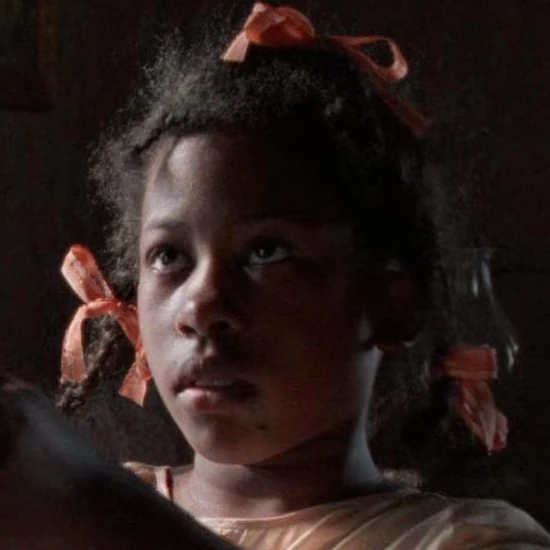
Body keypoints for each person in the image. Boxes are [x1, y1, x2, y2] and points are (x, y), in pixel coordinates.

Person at [49, 2, 550, 548]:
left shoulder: (466, 541)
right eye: (169, 257)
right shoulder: (81, 514)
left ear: (392, 302)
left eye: (267, 251)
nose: (202, 305)